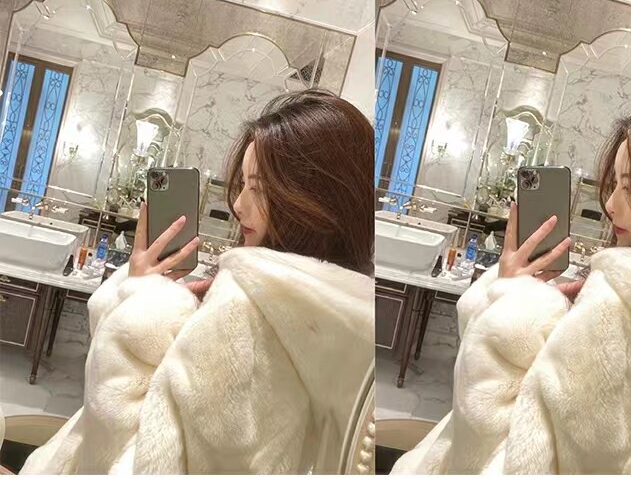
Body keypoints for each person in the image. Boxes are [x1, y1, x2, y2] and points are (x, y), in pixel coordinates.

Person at [391, 86, 631, 474]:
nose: (610, 205)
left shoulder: (617, 313)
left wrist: (511, 303)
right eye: (615, 185)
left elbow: (500, 465)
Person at [21, 89, 374, 474]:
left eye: (259, 189)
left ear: (313, 201)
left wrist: (140, 299)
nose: (238, 205)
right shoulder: (339, 310)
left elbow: (138, 464)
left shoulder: (245, 312)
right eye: (243, 185)